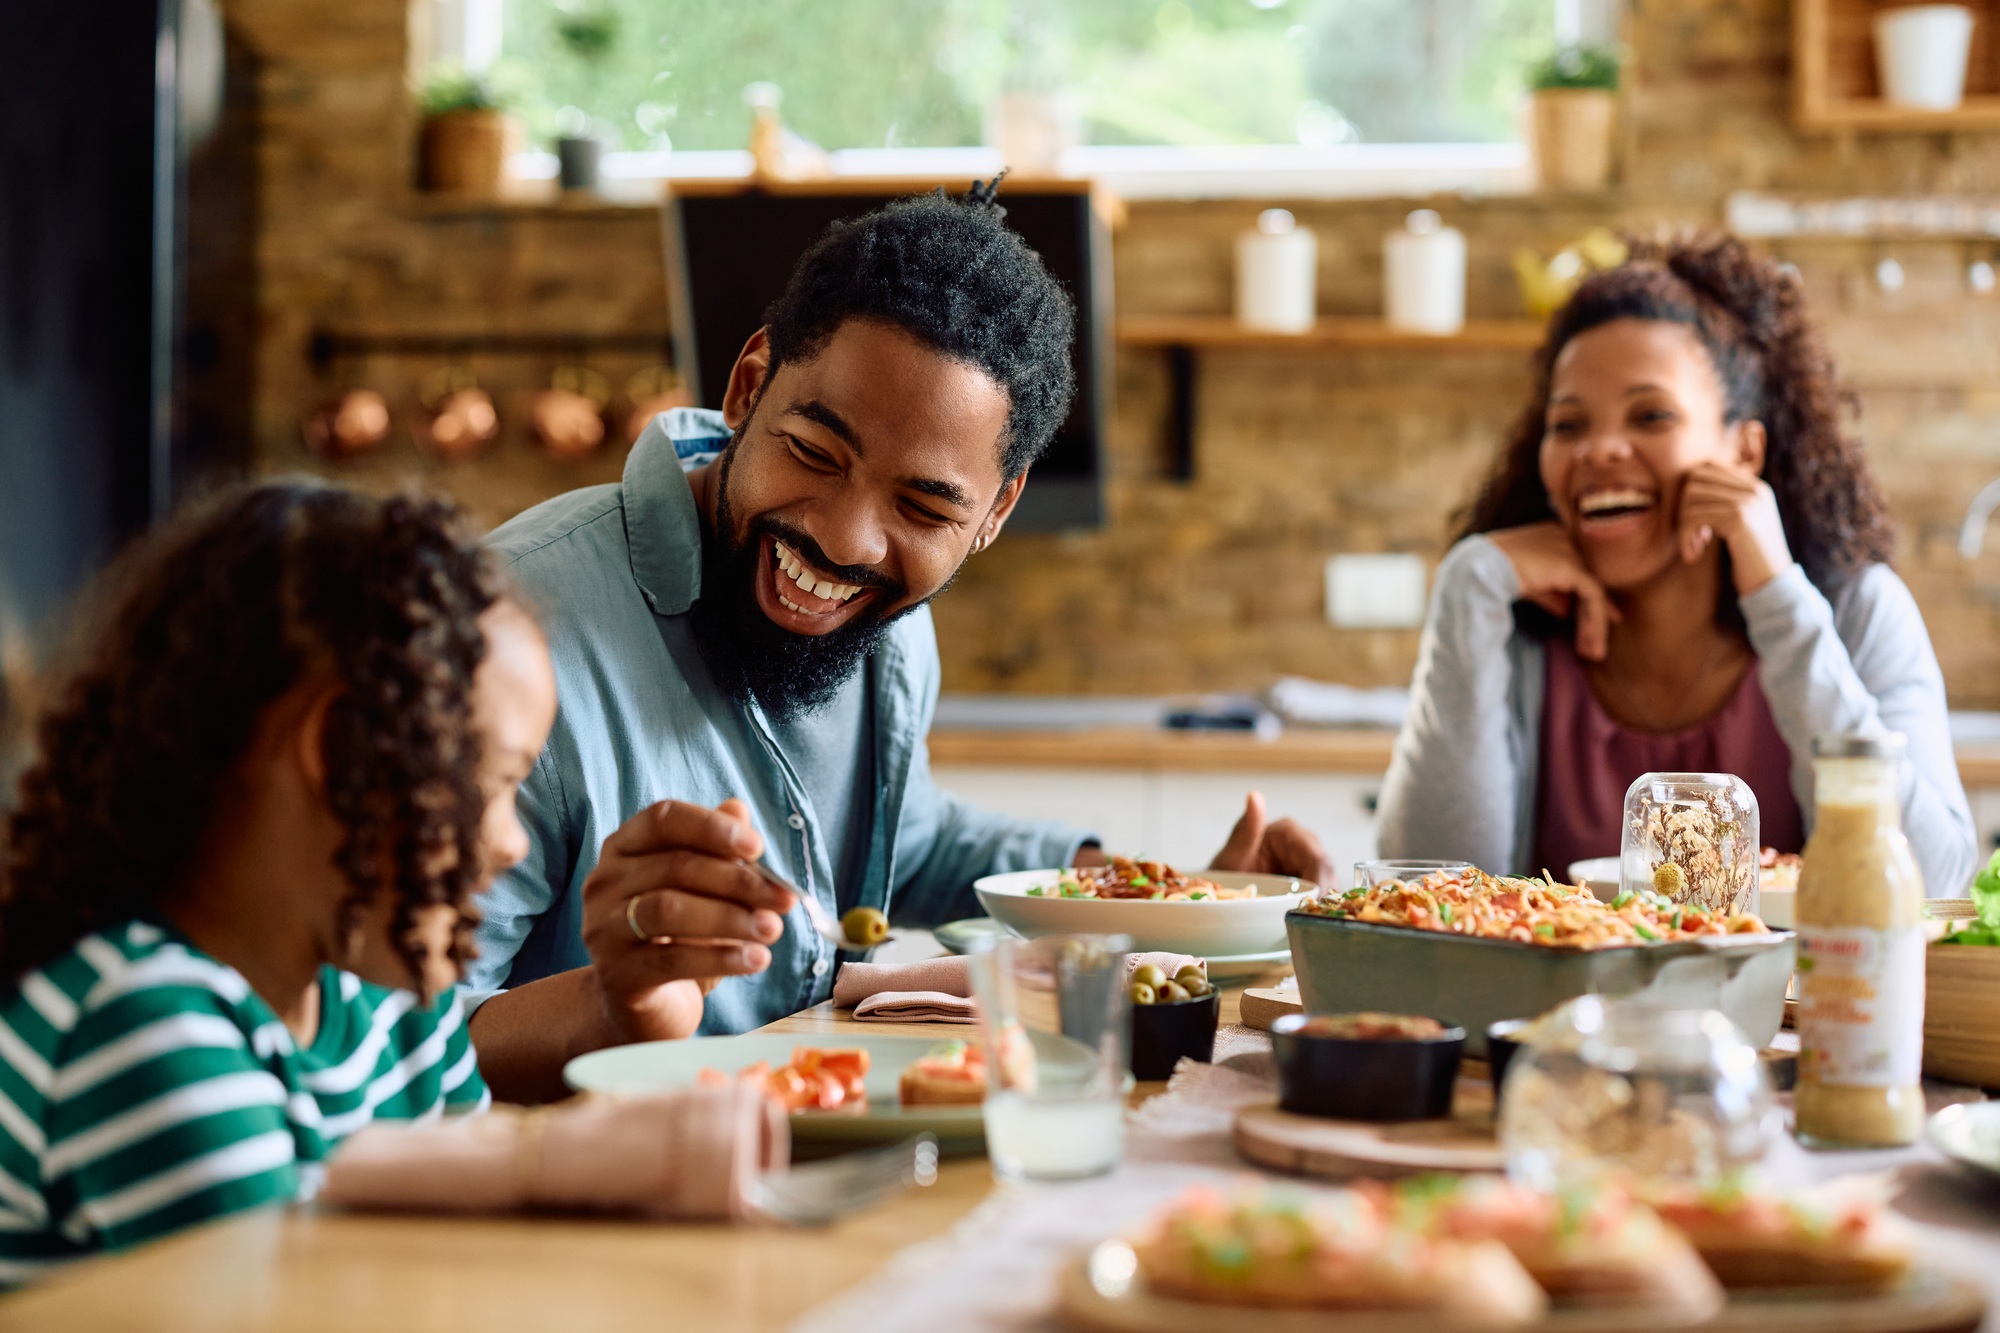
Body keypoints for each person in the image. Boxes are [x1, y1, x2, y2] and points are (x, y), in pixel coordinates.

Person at [467, 184, 1334, 1102]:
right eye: (813, 452)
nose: (845, 540)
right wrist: (620, 1001)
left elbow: (903, 842)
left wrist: (1168, 898)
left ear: (995, 512)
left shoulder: (891, 631)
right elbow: (394, 1038)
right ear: (748, 386)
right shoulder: (508, 636)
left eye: (922, 506)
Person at [0, 483, 557, 1281]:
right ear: (336, 749)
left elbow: (483, 1261)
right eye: (492, 783)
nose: (510, 842)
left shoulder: (395, 1006)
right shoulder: (143, 1023)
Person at [1377, 230, 1977, 897]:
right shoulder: (1515, 628)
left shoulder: (1857, 610)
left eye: (1651, 415)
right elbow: (1427, 896)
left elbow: (1933, 881)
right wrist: (1468, 585)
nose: (1599, 449)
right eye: (1569, 424)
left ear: (1743, 453)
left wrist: (1778, 598)